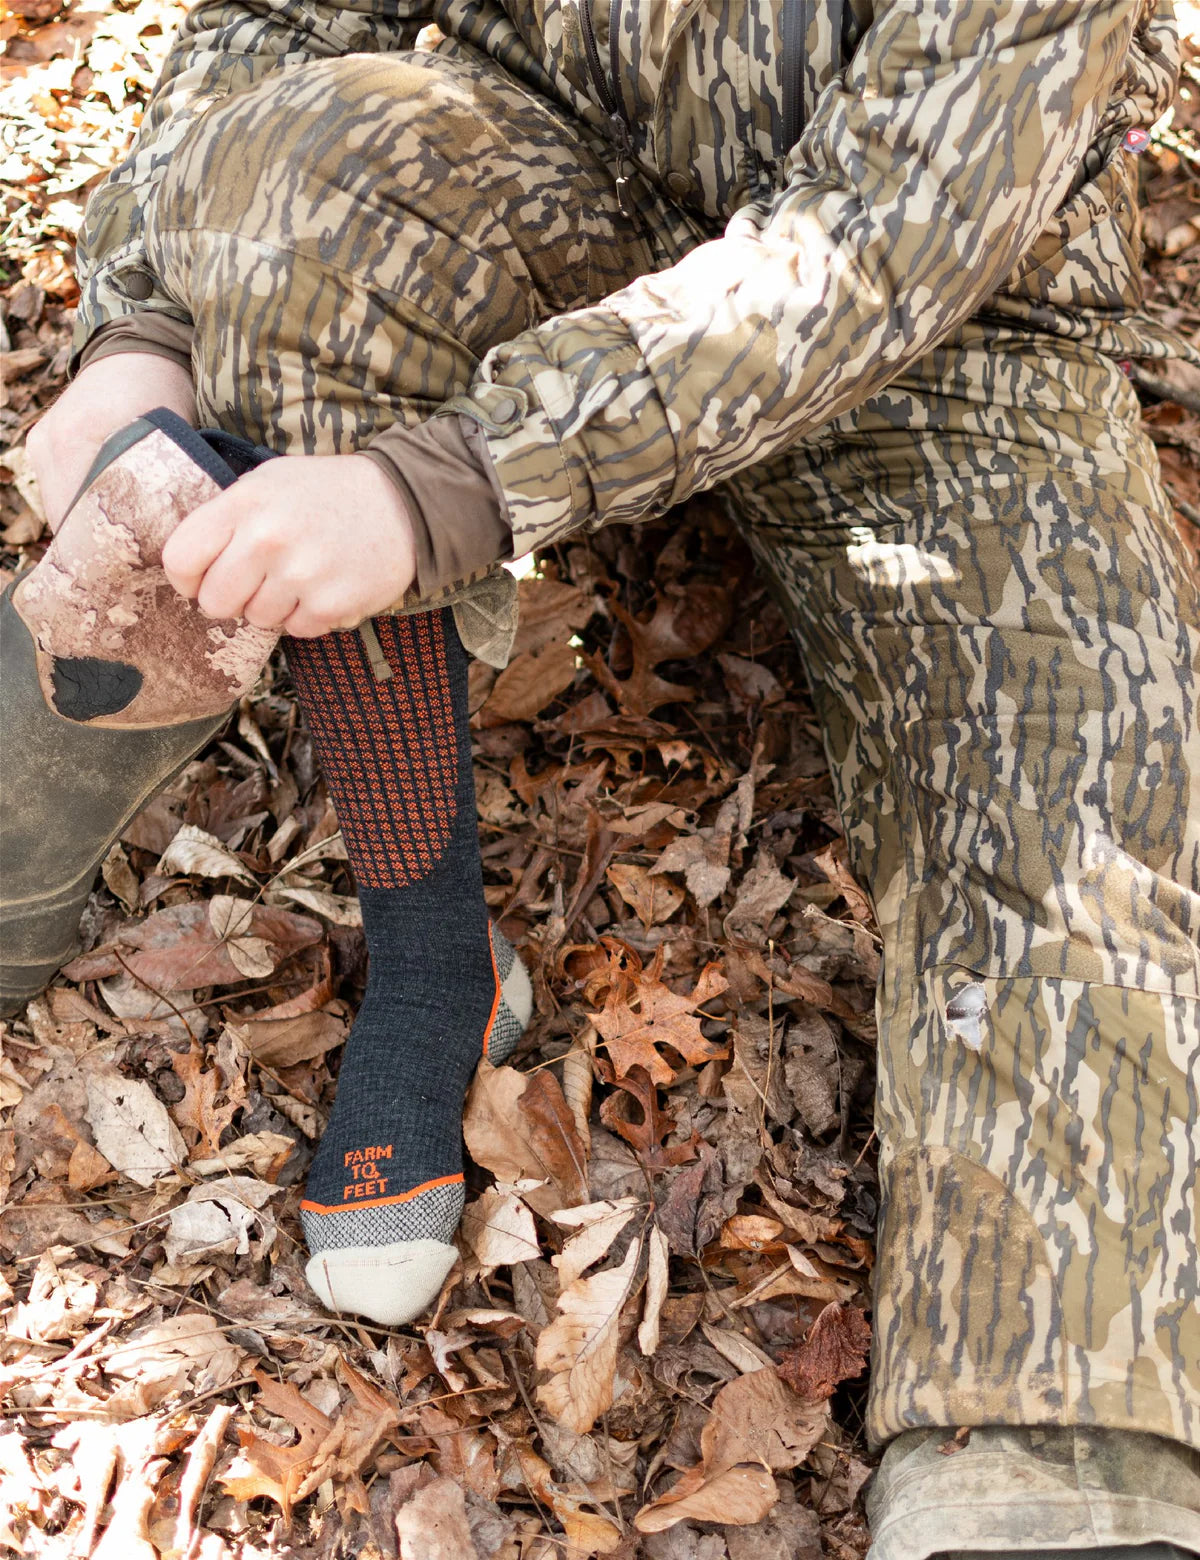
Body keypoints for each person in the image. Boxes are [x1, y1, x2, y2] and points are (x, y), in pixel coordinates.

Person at [6, 0, 1198, 1553]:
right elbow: (284, 13)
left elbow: (886, 238)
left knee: (1082, 770)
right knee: (308, 186)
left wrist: (457, 483)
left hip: (957, 327)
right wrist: (147, 326)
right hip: (569, 185)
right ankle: (412, 958)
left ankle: (1043, 1462)